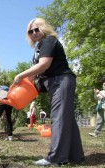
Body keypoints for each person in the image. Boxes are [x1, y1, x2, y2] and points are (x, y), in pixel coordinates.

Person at [13, 18, 84, 166]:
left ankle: (55, 158)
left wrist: (21, 75)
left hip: (61, 81)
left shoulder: (49, 41)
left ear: (44, 28)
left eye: (37, 29)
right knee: (67, 119)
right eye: (30, 31)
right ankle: (76, 156)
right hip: (57, 82)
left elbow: (44, 65)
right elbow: (37, 72)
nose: (34, 33)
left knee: (58, 119)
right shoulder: (40, 47)